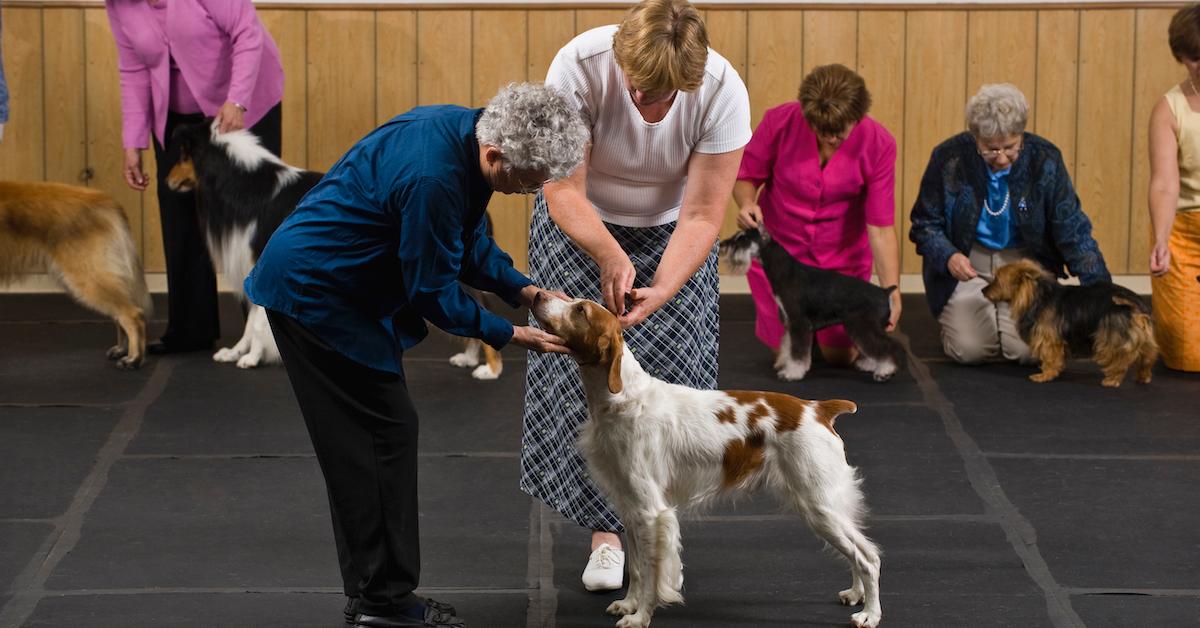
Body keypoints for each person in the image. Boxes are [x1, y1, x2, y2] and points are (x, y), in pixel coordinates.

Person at [244, 83, 589, 628]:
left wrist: (527, 293)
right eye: (530, 179)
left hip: (341, 289)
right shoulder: (434, 177)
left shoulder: (463, 133)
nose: (535, 189)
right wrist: (508, 333)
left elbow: (466, 239)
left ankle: (375, 596)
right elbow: (431, 286)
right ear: (496, 154)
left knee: (374, 442)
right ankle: (383, 605)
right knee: (377, 442)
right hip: (319, 298)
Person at [521, 0, 750, 593]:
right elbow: (563, 191)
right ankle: (605, 536)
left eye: (663, 94)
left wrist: (667, 283)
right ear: (620, 60)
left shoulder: (723, 91)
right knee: (583, 385)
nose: (646, 105)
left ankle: (655, 531)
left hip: (674, 233)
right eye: (638, 88)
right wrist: (609, 253)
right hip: (581, 225)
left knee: (671, 390)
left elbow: (702, 213)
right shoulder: (579, 65)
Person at [106, 0, 284, 354]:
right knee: (178, 209)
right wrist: (133, 142)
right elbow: (133, 70)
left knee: (250, 218)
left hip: (243, 99)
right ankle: (190, 329)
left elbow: (247, 32)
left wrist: (237, 100)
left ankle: (270, 330)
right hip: (175, 113)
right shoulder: (119, 4)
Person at [910, 83, 1110, 364]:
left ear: (1022, 136)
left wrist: (1101, 290)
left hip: (1024, 267)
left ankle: (1001, 322)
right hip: (968, 262)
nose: (1001, 158)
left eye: (1010, 147)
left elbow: (1072, 228)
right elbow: (924, 223)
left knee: (1029, 352)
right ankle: (966, 320)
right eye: (990, 150)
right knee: (970, 350)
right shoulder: (949, 158)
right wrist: (948, 256)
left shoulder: (1045, 159)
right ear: (975, 136)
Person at [733, 63, 900, 368]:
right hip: (781, 256)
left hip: (841, 261)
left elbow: (880, 228)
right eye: (821, 131)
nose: (830, 138)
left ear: (858, 117)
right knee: (785, 355)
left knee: (840, 356)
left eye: (839, 132)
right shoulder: (778, 121)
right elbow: (746, 176)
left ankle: (835, 342)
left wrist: (893, 292)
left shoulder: (880, 144)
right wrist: (746, 203)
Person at [1147, 3, 1200, 372]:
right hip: (1185, 231)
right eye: (1195, 58)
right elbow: (1165, 184)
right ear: (1180, 57)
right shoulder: (1169, 109)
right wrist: (1162, 240)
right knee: (1187, 356)